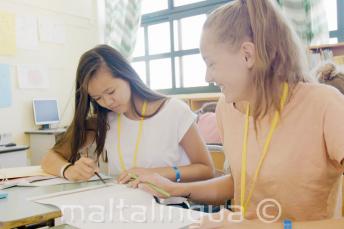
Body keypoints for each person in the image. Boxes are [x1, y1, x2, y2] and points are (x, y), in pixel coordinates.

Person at [128, 0, 344, 227]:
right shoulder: (226, 109)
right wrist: (176, 189)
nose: (207, 77)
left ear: (247, 55)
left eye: (210, 63)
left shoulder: (324, 105)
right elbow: (242, 181)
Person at [41, 44, 214, 185]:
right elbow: (50, 159)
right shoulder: (102, 120)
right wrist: (69, 170)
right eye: (97, 98)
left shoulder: (174, 110)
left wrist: (153, 174)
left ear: (127, 75)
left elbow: (206, 169)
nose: (107, 102)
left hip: (168, 207)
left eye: (111, 91)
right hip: (122, 207)